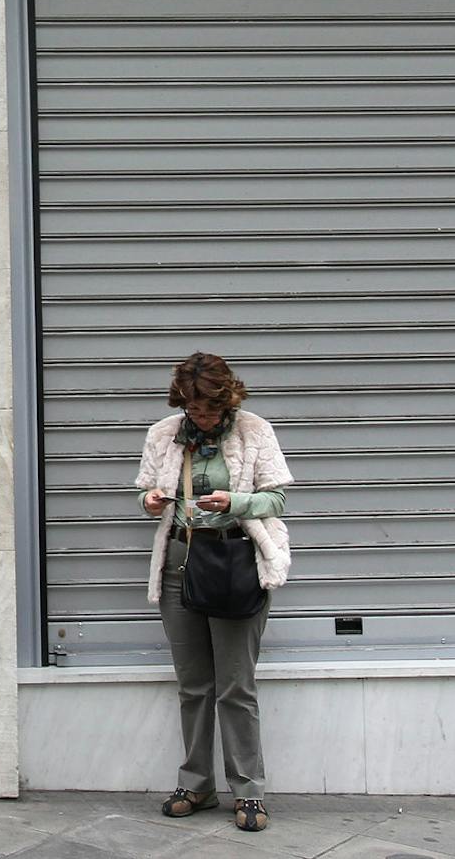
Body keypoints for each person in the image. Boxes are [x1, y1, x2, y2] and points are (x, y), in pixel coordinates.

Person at [134, 351, 294, 833]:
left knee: (236, 686)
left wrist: (236, 501)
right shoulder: (164, 433)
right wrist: (150, 500)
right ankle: (196, 784)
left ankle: (248, 790)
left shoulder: (254, 430)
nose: (200, 417)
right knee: (193, 685)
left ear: (228, 400)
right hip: (179, 563)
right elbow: (145, 492)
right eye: (193, 409)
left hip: (234, 563)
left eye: (209, 409)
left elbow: (276, 497)